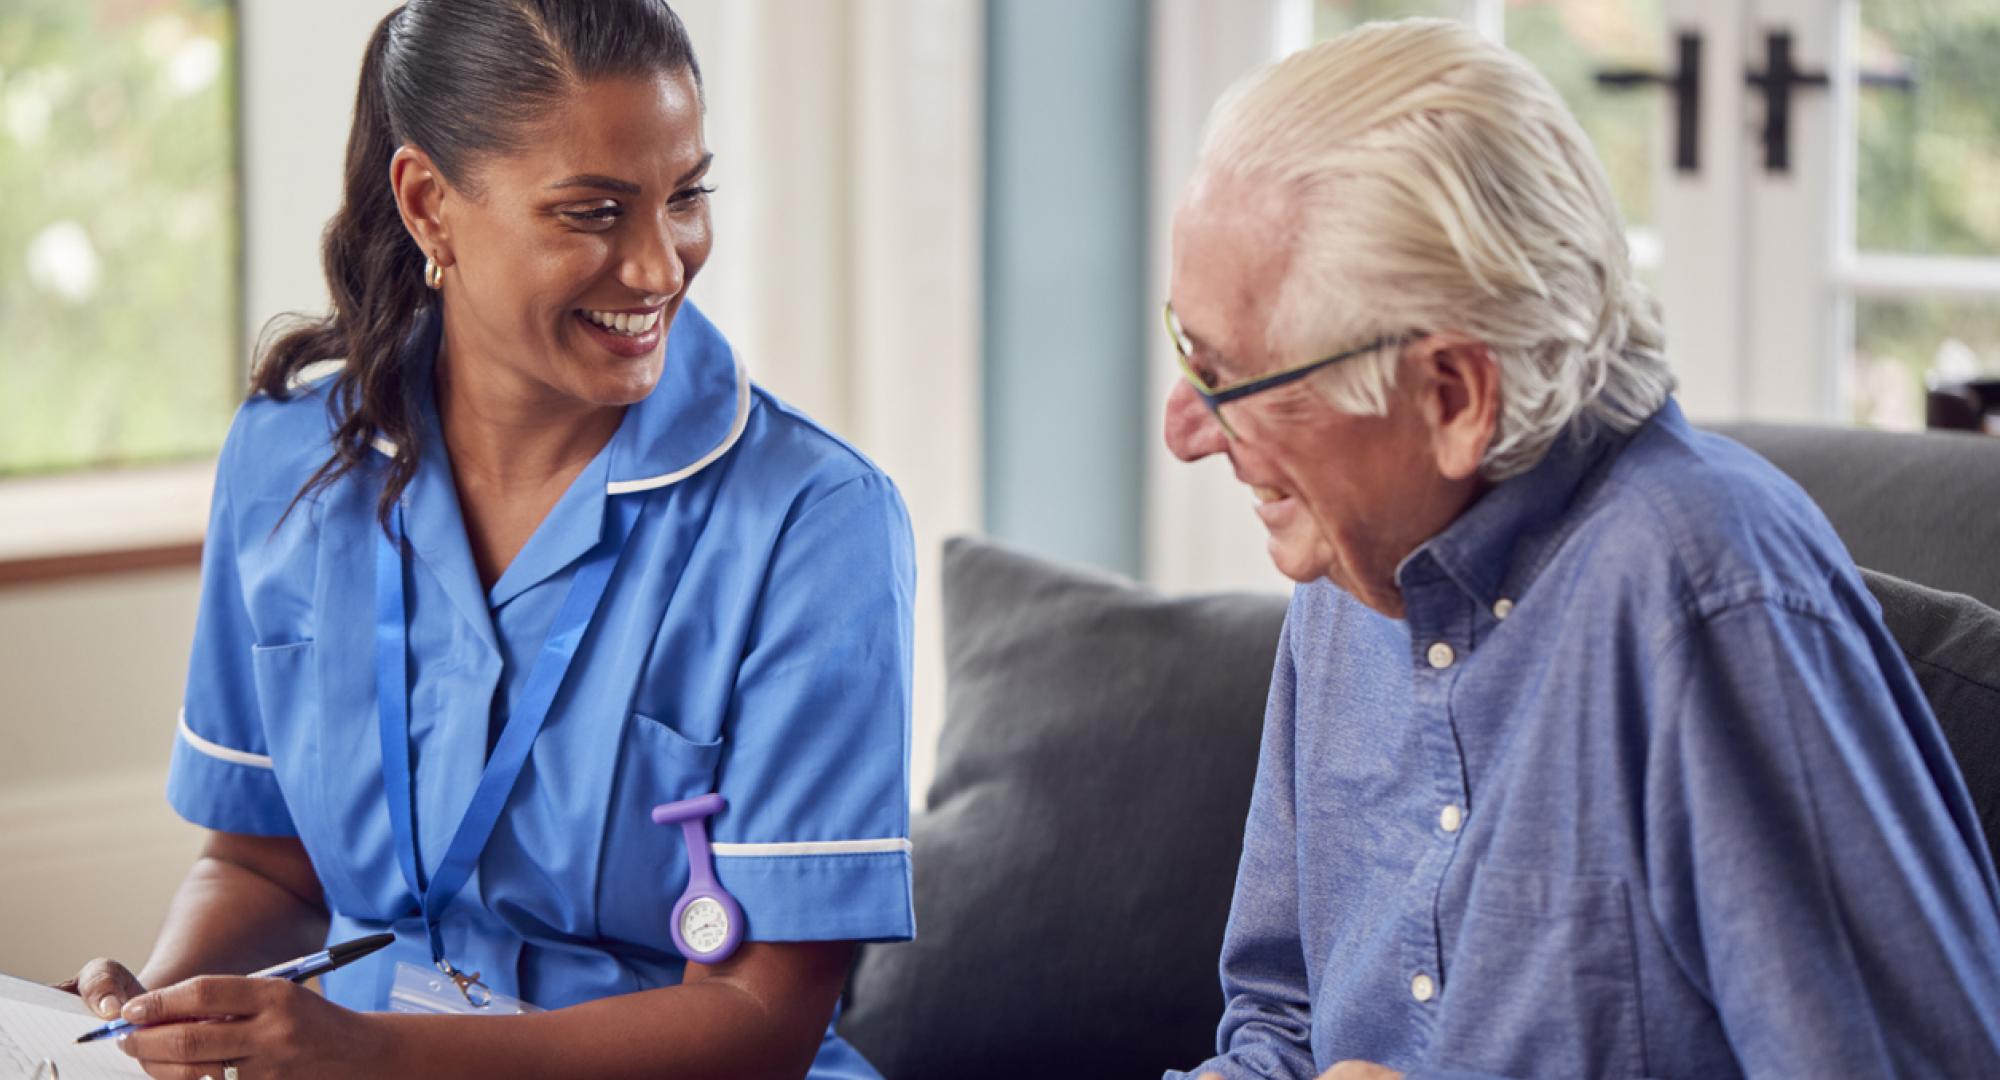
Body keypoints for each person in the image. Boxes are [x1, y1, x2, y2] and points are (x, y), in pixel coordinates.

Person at [60, 2, 915, 1077]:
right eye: (595, 211)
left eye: (686, 195)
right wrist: (158, 1026)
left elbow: (759, 1019)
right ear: (429, 206)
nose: (659, 267)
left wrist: (376, 1055)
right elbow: (266, 869)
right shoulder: (284, 463)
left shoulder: (813, 522)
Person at [1158, 19, 2000, 1080]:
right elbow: (1280, 1029)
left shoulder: (1704, 596)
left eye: (1233, 380)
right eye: (1187, 348)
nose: (1182, 430)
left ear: (1454, 398)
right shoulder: (1350, 561)